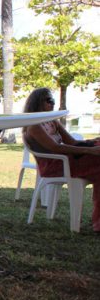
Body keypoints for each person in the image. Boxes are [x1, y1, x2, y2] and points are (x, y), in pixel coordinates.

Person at [22, 87, 100, 233]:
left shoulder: (52, 121)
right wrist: (89, 150)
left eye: (53, 101)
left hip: (67, 160)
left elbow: (71, 142)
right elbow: (56, 148)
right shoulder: (34, 126)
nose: (52, 104)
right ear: (38, 102)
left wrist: (93, 142)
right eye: (49, 101)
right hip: (55, 165)